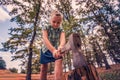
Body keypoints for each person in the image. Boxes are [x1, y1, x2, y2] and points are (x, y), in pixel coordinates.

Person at [39, 10, 66, 80]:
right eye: (54, 22)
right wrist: (52, 50)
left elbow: (63, 40)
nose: (56, 24)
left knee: (59, 62)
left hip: (57, 50)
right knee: (43, 68)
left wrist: (60, 47)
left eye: (58, 23)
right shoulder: (46, 27)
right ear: (50, 20)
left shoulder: (61, 30)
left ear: (61, 22)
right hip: (46, 49)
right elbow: (45, 39)